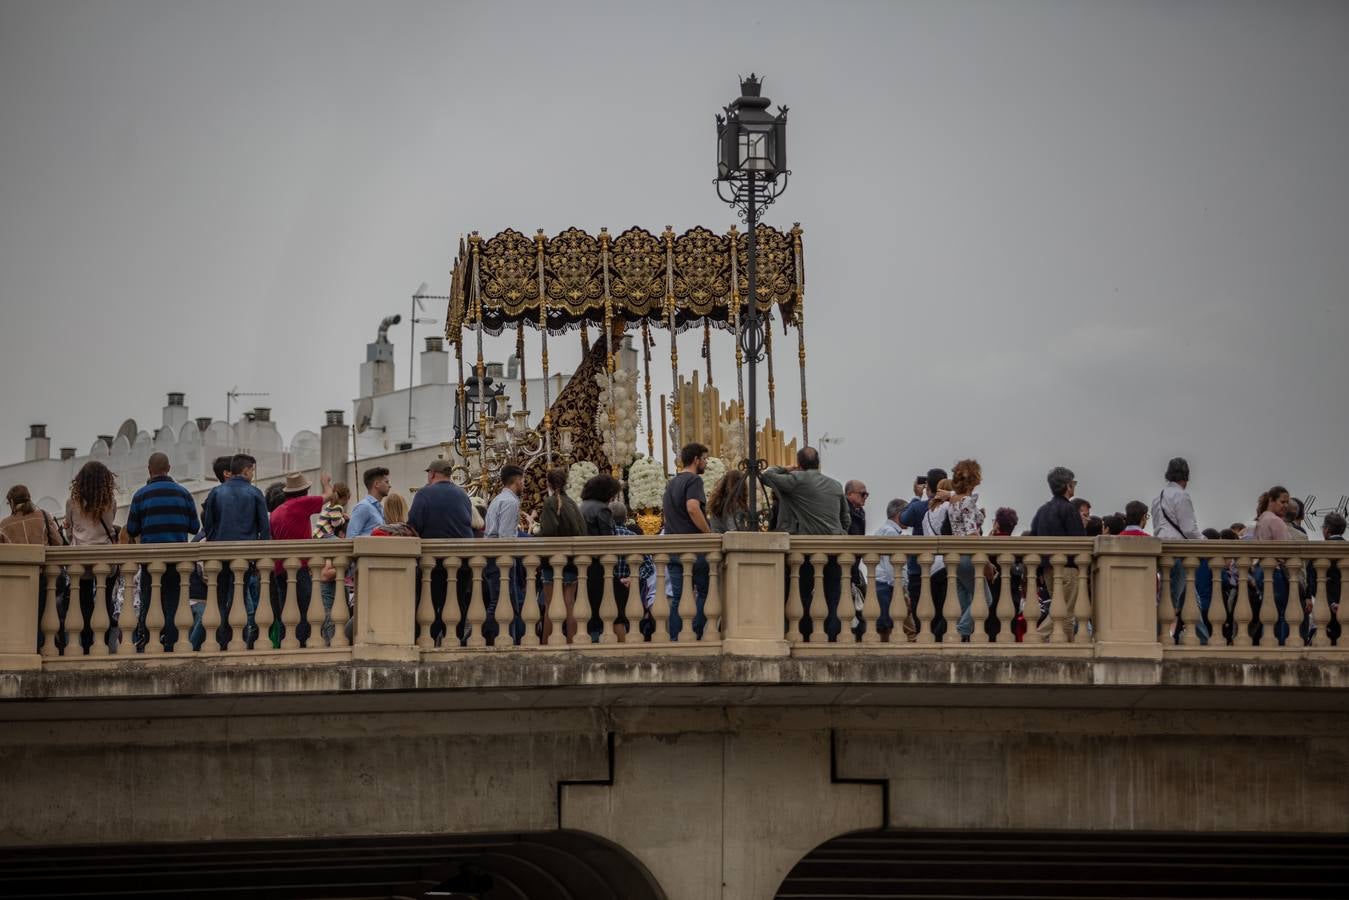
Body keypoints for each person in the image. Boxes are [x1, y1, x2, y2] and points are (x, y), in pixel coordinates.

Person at [761, 446, 850, 641]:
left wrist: (789, 468)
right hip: (834, 550)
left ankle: (803, 634)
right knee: (834, 594)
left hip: (806, 551)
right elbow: (846, 520)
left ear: (800, 463)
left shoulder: (797, 480)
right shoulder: (836, 485)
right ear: (818, 463)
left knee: (800, 593)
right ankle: (832, 636)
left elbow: (766, 476)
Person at [124, 452, 200, 652]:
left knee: (151, 601)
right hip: (177, 559)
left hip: (152, 558)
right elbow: (194, 526)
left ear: (149, 470)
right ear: (169, 468)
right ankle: (173, 642)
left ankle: (151, 641)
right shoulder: (183, 493)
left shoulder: (140, 495)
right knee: (175, 602)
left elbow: (131, 529)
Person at [201, 453, 270, 648]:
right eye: (252, 470)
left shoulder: (216, 492)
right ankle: (236, 639)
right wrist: (259, 558)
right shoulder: (255, 493)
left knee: (220, 598)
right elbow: (264, 530)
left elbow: (208, 526)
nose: (253, 474)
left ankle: (219, 640)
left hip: (219, 554)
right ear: (246, 470)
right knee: (238, 596)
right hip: (245, 557)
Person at [409, 458, 475, 644]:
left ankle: (428, 640)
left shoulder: (424, 494)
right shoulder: (463, 495)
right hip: (462, 562)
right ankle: (453, 640)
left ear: (431, 474)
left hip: (434, 563)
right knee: (457, 602)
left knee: (430, 603)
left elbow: (414, 526)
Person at [269, 471, 333, 647]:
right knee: (307, 609)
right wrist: (326, 482)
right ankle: (301, 646)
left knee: (286, 612)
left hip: (280, 569)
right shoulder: (301, 503)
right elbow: (329, 496)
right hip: (299, 566)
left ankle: (284, 646)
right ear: (304, 491)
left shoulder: (276, 512)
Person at [64, 460, 122, 653]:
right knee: (105, 599)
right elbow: (110, 527)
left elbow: (69, 533)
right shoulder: (110, 503)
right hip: (105, 558)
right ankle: (102, 641)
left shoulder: (71, 503)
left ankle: (88, 642)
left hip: (80, 558)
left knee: (84, 602)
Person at [4, 484, 66, 652]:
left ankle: (28, 651)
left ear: (11, 502)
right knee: (45, 614)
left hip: (18, 581)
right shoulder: (43, 516)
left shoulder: (4, 526)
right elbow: (59, 543)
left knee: (24, 619)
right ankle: (48, 649)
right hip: (45, 575)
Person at [1027, 466, 1086, 640]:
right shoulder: (1069, 510)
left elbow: (1033, 539)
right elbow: (1079, 542)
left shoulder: (1042, 511)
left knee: (1059, 610)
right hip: (1067, 568)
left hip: (1048, 569)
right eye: (1073, 483)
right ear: (1068, 486)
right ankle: (1036, 639)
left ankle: (1051, 644)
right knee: (1065, 614)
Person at [662, 442, 712, 641]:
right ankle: (695, 633)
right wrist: (708, 533)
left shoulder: (671, 482)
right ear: (696, 460)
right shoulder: (693, 481)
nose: (706, 463)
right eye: (705, 459)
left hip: (674, 547)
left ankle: (676, 637)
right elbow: (692, 507)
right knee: (705, 592)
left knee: (678, 596)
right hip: (694, 548)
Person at [1151, 457, 1205, 640]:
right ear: (1186, 476)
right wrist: (1206, 542)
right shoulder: (1181, 495)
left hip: (1162, 551)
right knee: (1173, 600)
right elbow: (1189, 529)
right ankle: (1161, 636)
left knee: (1188, 598)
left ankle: (1202, 637)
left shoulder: (1157, 497)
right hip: (1178, 553)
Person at [900, 467, 950, 638]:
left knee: (921, 617)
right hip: (943, 567)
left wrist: (916, 495)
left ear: (927, 486)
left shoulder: (920, 507)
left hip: (918, 569)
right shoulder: (950, 506)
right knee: (942, 611)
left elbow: (904, 519)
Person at [537, 466, 585, 643]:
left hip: (553, 560)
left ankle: (547, 643)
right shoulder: (572, 502)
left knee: (551, 604)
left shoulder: (551, 502)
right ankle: (572, 641)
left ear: (548, 483)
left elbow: (548, 530)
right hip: (571, 560)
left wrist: (537, 534)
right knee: (569, 603)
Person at [483, 464, 529, 645]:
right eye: (523, 481)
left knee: (501, 602)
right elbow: (506, 537)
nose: (524, 485)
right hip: (501, 558)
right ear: (517, 481)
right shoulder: (510, 502)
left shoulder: (497, 499)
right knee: (502, 603)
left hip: (493, 556)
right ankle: (487, 638)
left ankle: (503, 638)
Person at [580, 473, 623, 641]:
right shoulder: (602, 509)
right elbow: (608, 538)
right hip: (600, 565)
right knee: (613, 609)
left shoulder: (582, 506)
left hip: (585, 564)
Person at [947, 460, 985, 642]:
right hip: (969, 557)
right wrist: (984, 560)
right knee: (985, 598)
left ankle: (961, 637)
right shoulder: (968, 502)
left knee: (965, 602)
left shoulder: (953, 502)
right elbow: (971, 534)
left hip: (956, 557)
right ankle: (960, 632)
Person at [1250, 486, 1291, 644]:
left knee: (1268, 611)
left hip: (1260, 569)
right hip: (1274, 569)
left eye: (1287, 502)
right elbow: (1285, 552)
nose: (1285, 505)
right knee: (1281, 612)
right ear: (1271, 501)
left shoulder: (1261, 520)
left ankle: (1268, 643)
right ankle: (1280, 644)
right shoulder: (1275, 521)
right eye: (1282, 501)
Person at [871, 498, 909, 641]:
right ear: (900, 514)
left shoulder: (883, 530)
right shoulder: (891, 532)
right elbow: (891, 566)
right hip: (886, 586)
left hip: (880, 584)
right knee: (886, 628)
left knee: (884, 626)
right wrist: (900, 589)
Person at [985, 507, 1024, 641]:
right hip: (1012, 596)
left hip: (991, 594)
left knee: (990, 633)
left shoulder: (989, 542)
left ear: (997, 523)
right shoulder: (1018, 546)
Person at [1319, 512, 1345, 645]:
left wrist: (1332, 602)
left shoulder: (1320, 550)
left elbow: (1315, 581)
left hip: (1327, 604)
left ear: (1327, 530)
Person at [348, 467, 391, 538]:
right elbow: (350, 537)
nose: (389, 485)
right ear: (377, 484)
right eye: (386, 482)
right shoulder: (363, 507)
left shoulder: (379, 508)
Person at [707, 468, 751, 533]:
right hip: (731, 541)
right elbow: (733, 529)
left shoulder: (717, 501)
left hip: (717, 539)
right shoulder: (733, 504)